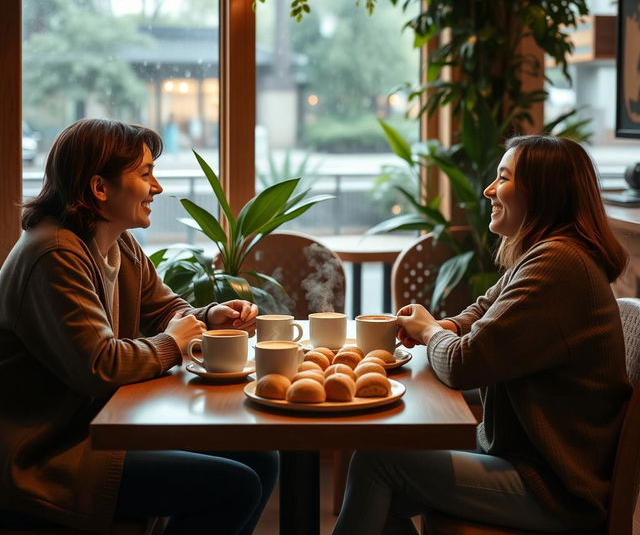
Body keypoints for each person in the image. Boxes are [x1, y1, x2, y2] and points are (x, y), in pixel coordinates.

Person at [333, 135, 632, 534]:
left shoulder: (558, 263)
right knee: (381, 472)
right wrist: (445, 327)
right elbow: (483, 310)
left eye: (503, 178)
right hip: (526, 461)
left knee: (377, 463)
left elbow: (463, 365)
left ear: (541, 192)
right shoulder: (545, 252)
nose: (489, 190)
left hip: (554, 488)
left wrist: (428, 332)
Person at [0, 119, 278, 534]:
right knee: (233, 485)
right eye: (145, 174)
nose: (158, 188)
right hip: (49, 453)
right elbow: (100, 366)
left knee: (261, 456)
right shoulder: (54, 254)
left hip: (100, 428)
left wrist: (206, 317)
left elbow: (164, 309)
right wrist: (174, 342)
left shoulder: (116, 240)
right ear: (100, 188)